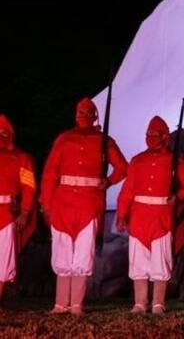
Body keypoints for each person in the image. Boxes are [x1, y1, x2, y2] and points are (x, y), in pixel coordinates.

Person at [41, 97, 128, 314]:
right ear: (75, 115)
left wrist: (107, 181)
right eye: (80, 112)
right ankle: (60, 303)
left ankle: (77, 304)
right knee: (61, 250)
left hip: (89, 203)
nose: (83, 117)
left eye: (88, 113)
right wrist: (46, 203)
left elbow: (122, 167)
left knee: (82, 251)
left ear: (94, 116)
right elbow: (50, 173)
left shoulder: (104, 141)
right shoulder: (64, 139)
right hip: (63, 203)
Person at [116, 116, 184, 313]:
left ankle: (158, 303)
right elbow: (127, 191)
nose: (150, 138)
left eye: (155, 135)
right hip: (139, 217)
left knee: (161, 261)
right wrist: (121, 215)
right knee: (138, 261)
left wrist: (176, 197)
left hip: (161, 217)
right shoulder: (137, 160)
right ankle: (140, 303)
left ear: (164, 137)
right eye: (148, 135)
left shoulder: (175, 161)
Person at [0, 114, 36, 303]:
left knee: (3, 259)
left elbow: (29, 187)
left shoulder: (22, 158)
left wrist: (25, 211)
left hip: (6, 214)